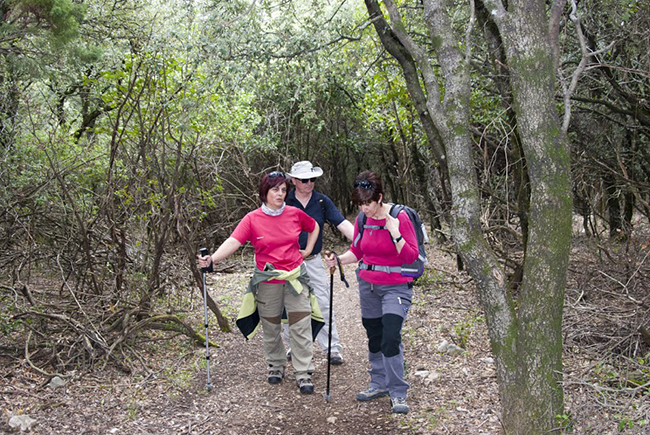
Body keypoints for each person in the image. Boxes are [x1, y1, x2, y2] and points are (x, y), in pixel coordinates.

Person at [198, 171, 320, 394]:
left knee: (300, 323)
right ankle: (276, 365)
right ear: (264, 192)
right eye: (275, 190)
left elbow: (314, 227)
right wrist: (212, 259)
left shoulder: (295, 214)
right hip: (267, 280)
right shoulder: (252, 219)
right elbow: (233, 241)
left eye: (284, 190)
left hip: (295, 277)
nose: (280, 194)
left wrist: (309, 250)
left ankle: (303, 372)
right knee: (271, 324)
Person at [325, 171, 418, 414]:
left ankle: (398, 391)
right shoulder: (362, 220)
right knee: (375, 336)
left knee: (390, 337)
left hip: (396, 286)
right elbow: (357, 251)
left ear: (380, 197)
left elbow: (411, 255)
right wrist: (338, 259)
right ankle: (378, 383)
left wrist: (394, 231)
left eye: (368, 202)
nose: (364, 208)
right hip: (369, 286)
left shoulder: (400, 217)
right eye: (360, 203)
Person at [284, 161, 354, 365]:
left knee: (323, 302)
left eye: (312, 179)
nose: (309, 183)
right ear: (294, 181)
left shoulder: (322, 202)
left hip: (313, 261)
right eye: (304, 180)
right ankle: (294, 346)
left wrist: (362, 241)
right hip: (289, 263)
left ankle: (332, 348)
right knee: (290, 306)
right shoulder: (284, 201)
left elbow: (342, 223)